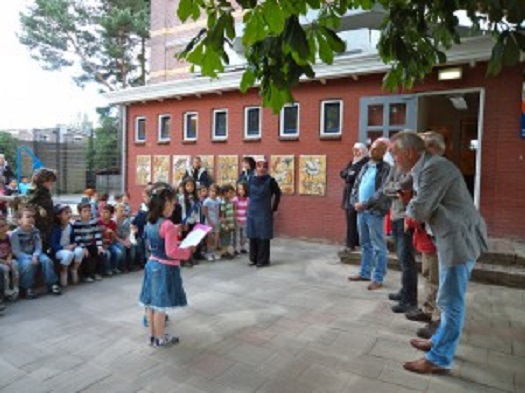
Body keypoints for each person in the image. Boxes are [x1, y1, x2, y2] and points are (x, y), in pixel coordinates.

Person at [390, 131, 488, 374]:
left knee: (451, 302)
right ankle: (438, 342)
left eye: (395, 152)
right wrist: (412, 200)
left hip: (459, 241)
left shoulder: (435, 168)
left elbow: (419, 210)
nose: (393, 158)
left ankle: (439, 358)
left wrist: (409, 202)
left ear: (410, 152)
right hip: (449, 240)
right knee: (447, 298)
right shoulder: (423, 169)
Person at [138, 182, 194, 347]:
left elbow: (158, 238)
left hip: (151, 264)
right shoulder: (167, 225)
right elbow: (171, 252)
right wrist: (187, 250)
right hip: (164, 269)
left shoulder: (150, 221)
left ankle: (153, 337)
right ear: (164, 204)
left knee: (150, 304)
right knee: (160, 306)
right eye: (172, 202)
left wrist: (174, 230)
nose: (175, 205)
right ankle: (161, 339)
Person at [347, 139, 391, 290]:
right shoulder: (366, 166)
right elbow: (356, 185)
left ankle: (378, 278)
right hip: (361, 211)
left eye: (377, 149)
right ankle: (365, 273)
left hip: (374, 211)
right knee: (365, 245)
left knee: (378, 246)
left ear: (384, 151)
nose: (373, 151)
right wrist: (354, 202)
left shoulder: (386, 168)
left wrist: (365, 203)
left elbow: (383, 191)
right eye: (372, 148)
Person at [382, 164, 417, 313]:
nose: (395, 155)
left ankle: (409, 300)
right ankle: (404, 291)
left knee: (406, 258)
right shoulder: (395, 167)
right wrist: (397, 190)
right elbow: (385, 188)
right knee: (402, 258)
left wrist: (395, 188)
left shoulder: (413, 167)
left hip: (405, 217)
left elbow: (407, 185)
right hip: (395, 216)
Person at [10, 207, 62, 299]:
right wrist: (29, 258)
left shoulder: (35, 231)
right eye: (28, 217)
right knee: (28, 264)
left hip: (35, 254)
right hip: (23, 257)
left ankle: (52, 283)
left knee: (47, 260)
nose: (31, 219)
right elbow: (16, 251)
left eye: (32, 217)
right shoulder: (15, 234)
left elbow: (38, 246)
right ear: (19, 220)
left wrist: (35, 255)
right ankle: (26, 288)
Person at [246, 158, 281, 268]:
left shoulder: (271, 181)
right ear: (256, 168)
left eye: (264, 167)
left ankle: (263, 260)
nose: (261, 169)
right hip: (252, 211)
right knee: (253, 236)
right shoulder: (250, 179)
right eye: (259, 166)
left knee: (263, 237)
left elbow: (278, 194)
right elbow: (245, 192)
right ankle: (253, 259)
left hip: (264, 212)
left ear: (266, 169)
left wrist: (274, 208)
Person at [340, 142, 369, 253]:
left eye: (358, 150)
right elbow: (343, 173)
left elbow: (352, 176)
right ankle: (353, 241)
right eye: (354, 150)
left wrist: (349, 174)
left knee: (353, 218)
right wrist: (348, 173)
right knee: (350, 217)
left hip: (357, 194)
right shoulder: (353, 161)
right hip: (348, 194)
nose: (355, 153)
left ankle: (351, 243)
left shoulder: (364, 162)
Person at [50, 204, 84, 286]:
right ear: (58, 215)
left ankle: (74, 269)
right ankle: (64, 271)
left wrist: (74, 244)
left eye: (70, 212)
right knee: (69, 254)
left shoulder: (70, 226)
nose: (69, 215)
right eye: (66, 213)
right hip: (59, 250)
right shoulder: (56, 228)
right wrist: (64, 247)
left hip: (69, 247)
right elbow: (53, 244)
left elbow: (73, 238)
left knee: (80, 251)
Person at [72, 203, 106, 282]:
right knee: (85, 256)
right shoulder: (77, 223)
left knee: (100, 253)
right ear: (79, 212)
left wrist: (99, 246)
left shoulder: (93, 221)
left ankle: (97, 273)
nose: (88, 213)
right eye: (85, 211)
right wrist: (83, 248)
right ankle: (86, 275)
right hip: (82, 245)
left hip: (91, 243)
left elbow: (97, 234)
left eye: (89, 211)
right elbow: (77, 237)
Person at [26, 168, 57, 252]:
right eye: (50, 181)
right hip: (39, 224)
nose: (51, 183)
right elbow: (28, 204)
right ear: (43, 180)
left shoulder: (46, 191)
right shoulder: (36, 191)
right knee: (40, 246)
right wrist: (39, 208)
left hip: (47, 223)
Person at [179, 177, 200, 267]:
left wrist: (198, 221)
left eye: (192, 186)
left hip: (194, 222)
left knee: (192, 240)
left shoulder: (196, 198)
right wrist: (185, 222)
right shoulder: (182, 198)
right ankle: (184, 259)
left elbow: (197, 210)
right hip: (186, 222)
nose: (190, 188)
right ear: (184, 187)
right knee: (185, 240)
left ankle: (191, 257)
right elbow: (183, 211)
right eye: (188, 186)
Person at [98, 204, 124, 275]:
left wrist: (112, 233)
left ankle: (114, 267)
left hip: (110, 243)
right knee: (108, 254)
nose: (103, 214)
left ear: (111, 214)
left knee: (118, 252)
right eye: (102, 212)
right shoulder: (98, 223)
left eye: (106, 212)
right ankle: (107, 269)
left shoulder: (113, 223)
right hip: (100, 244)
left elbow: (114, 237)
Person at [0, 215, 19, 301]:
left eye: (4, 225)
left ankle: (15, 288)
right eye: (1, 226)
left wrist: (9, 259)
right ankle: (6, 290)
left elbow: (10, 250)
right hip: (1, 261)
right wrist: (4, 262)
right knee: (5, 269)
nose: (3, 228)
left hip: (7, 259)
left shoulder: (7, 237)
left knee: (15, 265)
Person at [202, 184, 221, 261]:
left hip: (217, 221)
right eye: (212, 191)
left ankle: (214, 252)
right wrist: (209, 221)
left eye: (216, 191)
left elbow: (219, 210)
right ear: (209, 191)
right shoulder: (207, 201)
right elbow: (205, 212)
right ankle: (209, 253)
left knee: (216, 238)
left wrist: (220, 218)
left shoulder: (218, 200)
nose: (214, 193)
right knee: (209, 238)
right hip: (209, 222)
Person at [219, 184, 236, 259]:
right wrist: (225, 225)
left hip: (230, 224)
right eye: (230, 193)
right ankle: (223, 252)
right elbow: (223, 215)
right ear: (225, 193)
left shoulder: (230, 201)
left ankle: (225, 252)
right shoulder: (223, 202)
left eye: (232, 193)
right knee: (224, 239)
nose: (232, 194)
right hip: (225, 225)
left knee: (228, 238)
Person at [114, 203, 132, 271]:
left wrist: (127, 240)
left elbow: (128, 232)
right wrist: (123, 242)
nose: (123, 212)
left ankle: (130, 265)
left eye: (124, 210)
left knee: (132, 246)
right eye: (121, 211)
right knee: (122, 247)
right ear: (116, 212)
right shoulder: (114, 221)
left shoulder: (126, 221)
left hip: (124, 238)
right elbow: (114, 236)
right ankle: (122, 266)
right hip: (116, 240)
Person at [233, 181, 249, 254]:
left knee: (244, 235)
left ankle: (243, 247)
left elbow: (248, 209)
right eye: (239, 189)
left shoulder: (248, 199)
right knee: (237, 235)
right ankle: (236, 249)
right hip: (238, 220)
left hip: (245, 220)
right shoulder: (235, 199)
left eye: (242, 189)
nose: (240, 191)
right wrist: (235, 219)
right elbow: (234, 210)